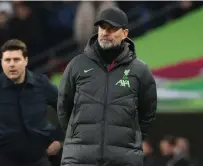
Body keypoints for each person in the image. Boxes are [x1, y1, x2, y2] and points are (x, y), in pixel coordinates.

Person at [57, 7, 157, 166]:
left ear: (125, 33)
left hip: (123, 159)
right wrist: (77, 137)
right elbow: (63, 108)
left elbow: (148, 113)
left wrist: (132, 140)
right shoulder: (77, 65)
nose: (105, 32)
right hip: (79, 159)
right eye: (102, 27)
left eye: (112, 29)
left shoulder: (140, 71)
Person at [0, 39, 63, 166]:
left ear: (25, 60)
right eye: (7, 60)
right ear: (2, 63)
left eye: (16, 59)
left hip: (39, 158)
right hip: (4, 160)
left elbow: (67, 109)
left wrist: (59, 140)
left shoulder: (41, 83)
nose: (12, 64)